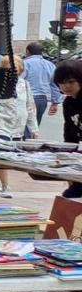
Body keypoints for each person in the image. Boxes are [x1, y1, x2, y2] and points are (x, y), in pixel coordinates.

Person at [0, 55, 38, 197]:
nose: (13, 70)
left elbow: (30, 106)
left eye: (15, 67)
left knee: (8, 157)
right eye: (9, 67)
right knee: (4, 155)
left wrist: (33, 127)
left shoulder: (25, 84)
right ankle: (5, 186)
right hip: (1, 124)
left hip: (18, 127)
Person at [53, 58, 82, 198]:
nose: (66, 86)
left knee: (70, 196)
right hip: (77, 161)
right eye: (62, 82)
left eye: (71, 82)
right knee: (70, 195)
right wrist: (67, 159)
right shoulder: (68, 102)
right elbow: (69, 132)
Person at [22, 42, 60, 126]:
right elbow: (54, 85)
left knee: (24, 127)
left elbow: (18, 81)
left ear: (27, 51)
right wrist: (55, 103)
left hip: (27, 98)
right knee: (35, 126)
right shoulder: (50, 65)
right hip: (42, 100)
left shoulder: (24, 63)